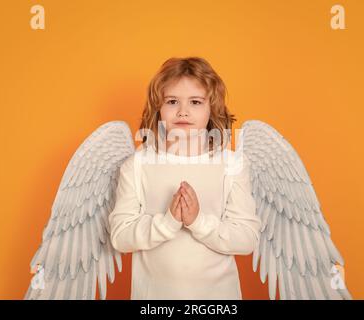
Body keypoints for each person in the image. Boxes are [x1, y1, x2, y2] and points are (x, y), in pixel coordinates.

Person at [108, 57, 261, 299]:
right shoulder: (137, 165)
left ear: (212, 108)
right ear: (158, 108)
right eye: (171, 101)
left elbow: (246, 239)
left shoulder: (232, 164)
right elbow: (119, 237)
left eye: (196, 102)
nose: (183, 111)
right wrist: (167, 223)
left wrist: (198, 222)